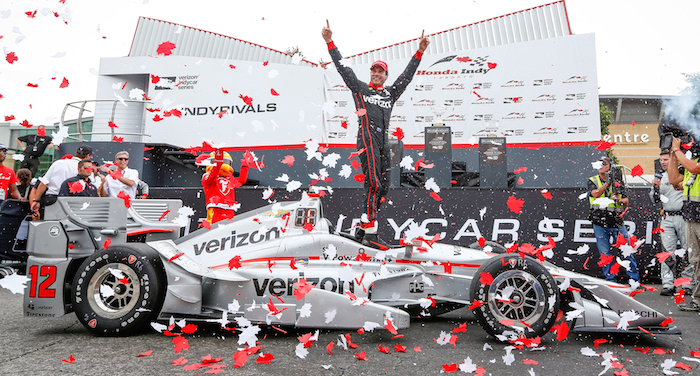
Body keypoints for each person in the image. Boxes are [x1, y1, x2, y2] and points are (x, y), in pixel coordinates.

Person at [322, 20, 429, 249]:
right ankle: (370, 233)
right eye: (374, 70)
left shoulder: (391, 93)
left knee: (383, 187)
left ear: (386, 75)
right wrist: (330, 42)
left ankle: (362, 228)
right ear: (370, 73)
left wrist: (419, 52)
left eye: (381, 71)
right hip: (367, 138)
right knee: (372, 183)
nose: (377, 74)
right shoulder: (360, 89)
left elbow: (406, 77)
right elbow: (343, 68)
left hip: (384, 142)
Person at [588, 156, 640, 283]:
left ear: (609, 166)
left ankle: (634, 279)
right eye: (599, 163)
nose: (601, 165)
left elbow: (626, 201)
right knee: (605, 253)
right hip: (599, 221)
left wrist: (619, 200)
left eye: (604, 163)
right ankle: (611, 280)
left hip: (616, 221)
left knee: (626, 250)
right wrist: (607, 183)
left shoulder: (618, 181)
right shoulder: (593, 180)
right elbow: (595, 194)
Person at [650, 151, 694, 296]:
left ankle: (688, 283)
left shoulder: (683, 174)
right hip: (667, 218)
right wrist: (655, 187)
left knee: (688, 251)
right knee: (667, 253)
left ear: (673, 160)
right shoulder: (659, 177)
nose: (662, 162)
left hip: (683, 216)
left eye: (666, 159)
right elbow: (654, 200)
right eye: (661, 160)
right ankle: (668, 284)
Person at [668, 138, 700, 311]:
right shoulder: (690, 166)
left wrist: (676, 149)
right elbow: (674, 179)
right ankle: (698, 300)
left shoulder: (693, 166)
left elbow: (695, 168)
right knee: (696, 261)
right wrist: (673, 153)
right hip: (691, 219)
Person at [29, 145, 93, 218]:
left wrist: (36, 200)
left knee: (48, 226)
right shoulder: (85, 169)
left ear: (76, 153)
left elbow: (44, 183)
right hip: (72, 202)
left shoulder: (58, 163)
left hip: (51, 200)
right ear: (88, 156)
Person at [201, 150, 249, 224]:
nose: (225, 165)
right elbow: (212, 176)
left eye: (226, 162)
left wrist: (245, 166)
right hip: (215, 208)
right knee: (214, 229)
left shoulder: (230, 179)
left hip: (229, 209)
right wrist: (218, 165)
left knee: (228, 230)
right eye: (221, 162)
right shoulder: (207, 176)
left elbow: (241, 180)